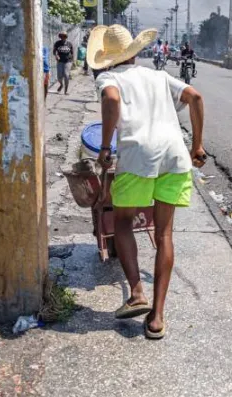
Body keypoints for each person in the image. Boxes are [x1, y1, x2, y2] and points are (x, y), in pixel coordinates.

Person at [86, 25, 206, 340]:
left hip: (137, 159)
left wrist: (105, 147)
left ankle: (137, 292)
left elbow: (111, 100)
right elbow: (195, 97)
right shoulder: (158, 76)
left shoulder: (108, 78)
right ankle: (157, 317)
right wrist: (197, 145)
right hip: (174, 156)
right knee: (164, 233)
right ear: (135, 52)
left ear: (106, 59)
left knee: (123, 221)